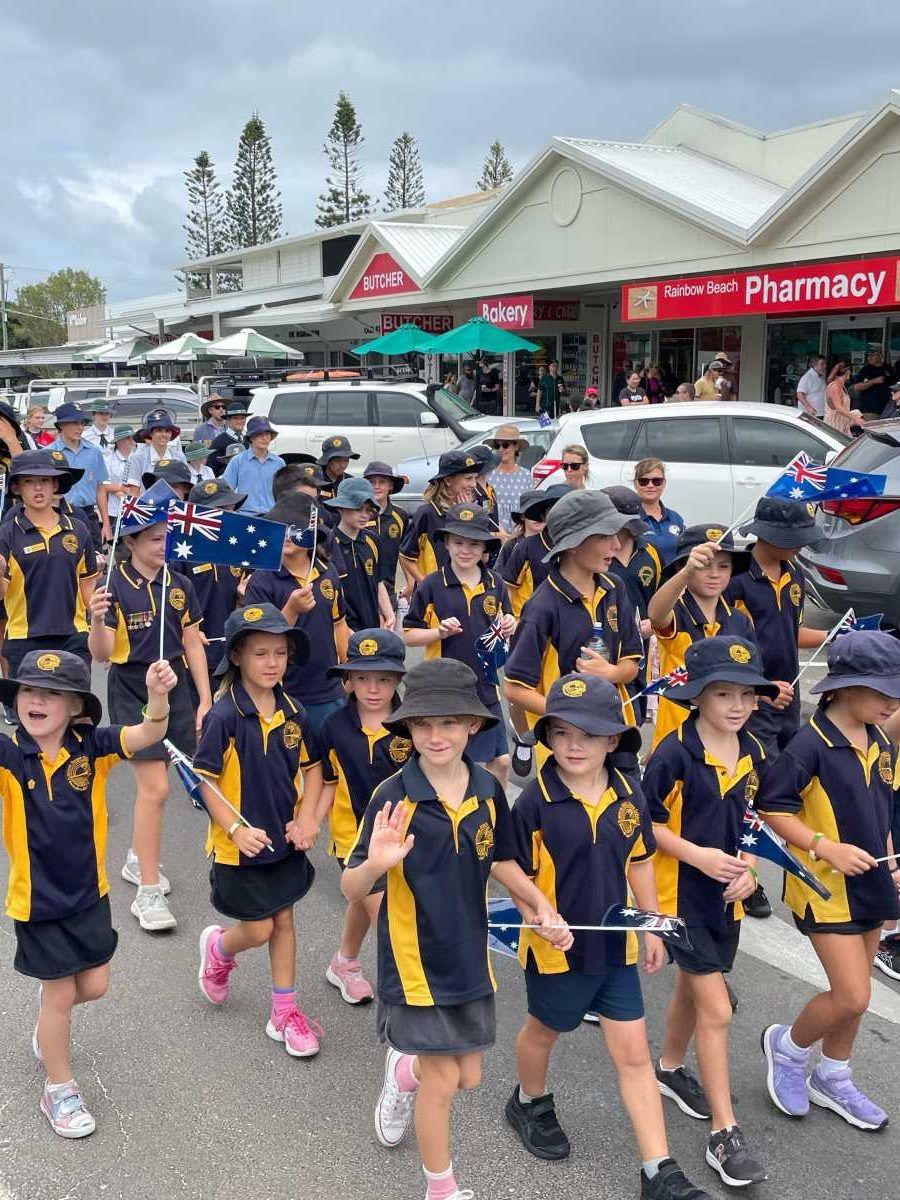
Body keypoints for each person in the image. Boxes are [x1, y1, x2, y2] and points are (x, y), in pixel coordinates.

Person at [342, 658, 569, 1200]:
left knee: (467, 1078)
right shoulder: (392, 797)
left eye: (449, 722)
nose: (436, 735)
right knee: (443, 1083)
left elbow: (500, 859)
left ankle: (403, 1074)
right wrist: (377, 863)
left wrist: (539, 904)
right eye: (423, 723)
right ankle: (441, 1188)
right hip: (414, 965)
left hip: (471, 958)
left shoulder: (490, 793)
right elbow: (353, 888)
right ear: (408, 728)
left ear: (474, 725)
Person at [505, 673, 709, 1200]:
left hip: (615, 946)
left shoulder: (627, 793)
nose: (575, 745)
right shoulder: (535, 801)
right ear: (547, 735)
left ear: (613, 740)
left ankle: (658, 1172)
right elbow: (508, 867)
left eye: (590, 734)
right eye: (563, 732)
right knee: (544, 1033)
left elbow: (640, 860)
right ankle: (529, 1101)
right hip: (556, 952)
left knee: (635, 1056)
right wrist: (539, 909)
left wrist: (652, 924)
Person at [0, 650, 177, 1138]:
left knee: (94, 986)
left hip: (89, 894)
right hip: (37, 903)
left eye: (52, 693)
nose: (37, 700)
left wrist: (157, 698)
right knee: (60, 994)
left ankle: (48, 1024)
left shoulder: (91, 745)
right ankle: (59, 1088)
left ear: (76, 706)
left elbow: (147, 735)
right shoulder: (11, 752)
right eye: (30, 690)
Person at [758, 630, 900, 1134]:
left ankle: (834, 1075)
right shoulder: (808, 745)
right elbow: (772, 808)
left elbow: (881, 811)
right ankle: (789, 1048)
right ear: (841, 687)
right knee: (853, 994)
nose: (892, 700)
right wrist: (825, 846)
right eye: (882, 689)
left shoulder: (880, 739)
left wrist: (889, 859)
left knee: (855, 992)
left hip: (870, 883)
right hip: (823, 887)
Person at [645, 637, 774, 1189]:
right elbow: (643, 824)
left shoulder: (755, 752)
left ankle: (670, 1068)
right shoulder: (673, 753)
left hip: (726, 902)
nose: (738, 705)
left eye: (747, 694)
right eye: (724, 693)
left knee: (693, 994)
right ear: (696, 696)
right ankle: (725, 1132)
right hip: (680, 902)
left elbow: (753, 820)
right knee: (716, 1010)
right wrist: (695, 853)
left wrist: (748, 869)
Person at [195, 604, 326, 1058]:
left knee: (284, 920)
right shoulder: (224, 716)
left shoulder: (294, 710)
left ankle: (284, 1012)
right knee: (257, 930)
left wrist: (308, 818)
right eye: (260, 653)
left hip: (283, 841)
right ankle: (219, 949)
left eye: (280, 653)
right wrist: (233, 829)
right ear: (236, 657)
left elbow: (313, 771)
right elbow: (204, 782)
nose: (272, 663)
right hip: (239, 848)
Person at [88, 502, 211, 932]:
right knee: (156, 789)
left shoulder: (178, 584)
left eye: (168, 538)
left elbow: (193, 643)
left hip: (174, 684)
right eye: (156, 539)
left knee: (161, 789)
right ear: (131, 540)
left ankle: (139, 857)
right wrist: (96, 619)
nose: (165, 546)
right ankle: (148, 892)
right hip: (131, 686)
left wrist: (204, 699)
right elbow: (101, 655)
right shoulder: (112, 586)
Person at [504, 490, 643, 764]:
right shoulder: (542, 607)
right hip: (567, 748)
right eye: (605, 536)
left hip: (614, 735)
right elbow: (514, 689)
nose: (616, 545)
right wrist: (570, 715)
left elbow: (632, 663)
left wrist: (611, 672)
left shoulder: (615, 587)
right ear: (573, 544)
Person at [313, 629, 408, 1006]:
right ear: (347, 680)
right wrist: (308, 823)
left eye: (383, 679)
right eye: (363, 678)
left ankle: (344, 962)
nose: (372, 688)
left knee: (362, 901)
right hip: (354, 838)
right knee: (390, 918)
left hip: (404, 835)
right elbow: (326, 780)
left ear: (399, 679)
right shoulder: (333, 727)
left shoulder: (411, 725)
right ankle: (408, 1002)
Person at [403, 503, 515, 787]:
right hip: (445, 687)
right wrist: (437, 633)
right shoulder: (431, 585)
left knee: (501, 761)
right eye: (459, 543)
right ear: (447, 543)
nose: (466, 551)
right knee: (452, 760)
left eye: (474, 544)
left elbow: (506, 621)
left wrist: (510, 625)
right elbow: (408, 634)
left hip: (486, 686)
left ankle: (494, 812)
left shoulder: (496, 583)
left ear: (485, 548)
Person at [245, 493, 350, 737]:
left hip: (329, 690)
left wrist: (349, 673)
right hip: (283, 691)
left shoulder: (328, 572)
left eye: (297, 529)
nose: (288, 536)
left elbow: (339, 624)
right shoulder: (262, 580)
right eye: (281, 528)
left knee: (330, 765)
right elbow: (258, 641)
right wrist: (291, 610)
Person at [647, 526, 755, 750]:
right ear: (681, 566)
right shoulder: (677, 611)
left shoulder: (740, 620)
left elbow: (748, 677)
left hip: (726, 737)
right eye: (704, 565)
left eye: (723, 566)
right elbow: (656, 614)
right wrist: (686, 573)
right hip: (676, 738)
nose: (715, 574)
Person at [0, 451, 97, 688]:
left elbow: (88, 592)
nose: (38, 488)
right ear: (17, 488)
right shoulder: (6, 534)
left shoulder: (79, 530)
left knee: (77, 714)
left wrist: (100, 631)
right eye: (29, 481)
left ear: (55, 484)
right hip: (24, 638)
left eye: (44, 480)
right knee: (33, 718)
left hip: (73, 636)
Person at [175, 478, 247, 679]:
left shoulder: (241, 548)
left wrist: (242, 599)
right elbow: (172, 603)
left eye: (231, 509)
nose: (228, 516)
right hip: (193, 654)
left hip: (235, 652)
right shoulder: (182, 552)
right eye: (220, 510)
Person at [399, 449, 480, 593]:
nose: (474, 484)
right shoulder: (427, 513)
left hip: (466, 592)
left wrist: (466, 514)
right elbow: (406, 557)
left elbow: (483, 557)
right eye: (468, 478)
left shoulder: (474, 513)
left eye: (475, 478)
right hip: (434, 599)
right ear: (448, 480)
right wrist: (426, 585)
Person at [325, 477, 394, 633]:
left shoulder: (373, 540)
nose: (365, 515)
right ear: (340, 508)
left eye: (369, 510)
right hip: (342, 627)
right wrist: (342, 629)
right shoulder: (328, 544)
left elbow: (379, 582)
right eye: (358, 508)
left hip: (372, 625)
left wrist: (389, 614)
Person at [49, 404, 106, 549]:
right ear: (61, 425)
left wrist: (106, 524)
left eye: (82, 423)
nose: (80, 427)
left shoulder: (94, 452)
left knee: (94, 561)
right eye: (75, 423)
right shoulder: (48, 453)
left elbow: (100, 489)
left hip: (88, 514)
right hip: (58, 514)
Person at [363, 460, 409, 612]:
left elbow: (406, 553)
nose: (376, 486)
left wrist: (410, 582)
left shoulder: (400, 515)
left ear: (390, 486)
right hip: (362, 587)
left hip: (388, 588)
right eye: (371, 482)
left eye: (382, 482)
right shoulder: (358, 514)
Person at [220, 415, 284, 515]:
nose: (264, 438)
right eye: (259, 434)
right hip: (245, 516)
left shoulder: (279, 463)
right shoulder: (238, 461)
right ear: (251, 437)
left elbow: (284, 493)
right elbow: (226, 490)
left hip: (272, 517)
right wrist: (230, 512)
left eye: (268, 434)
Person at [632, 459, 685, 566]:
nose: (650, 485)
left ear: (664, 483)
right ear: (635, 483)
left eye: (657, 481)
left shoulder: (676, 518)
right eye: (644, 481)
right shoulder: (629, 520)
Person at [481, 425, 530, 534]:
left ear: (516, 446)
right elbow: (485, 505)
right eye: (497, 446)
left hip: (518, 534)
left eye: (505, 445)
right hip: (493, 532)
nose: (501, 450)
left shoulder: (526, 475)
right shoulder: (488, 474)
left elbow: (527, 507)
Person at [97, 425, 139, 545]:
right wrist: (123, 489)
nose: (132, 441)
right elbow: (103, 485)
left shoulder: (137, 457)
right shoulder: (109, 459)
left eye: (132, 438)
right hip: (115, 510)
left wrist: (130, 492)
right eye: (128, 438)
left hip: (135, 509)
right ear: (118, 441)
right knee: (118, 548)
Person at [207, 402, 249, 476]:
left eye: (242, 418)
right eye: (235, 418)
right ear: (228, 420)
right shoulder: (219, 441)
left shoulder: (251, 439)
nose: (239, 422)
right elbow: (210, 469)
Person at [318, 434, 360, 505]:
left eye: (346, 460)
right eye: (337, 461)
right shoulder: (316, 480)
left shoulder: (351, 482)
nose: (343, 465)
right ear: (327, 460)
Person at [824, 361, 864, 436]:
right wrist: (855, 418)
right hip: (833, 428)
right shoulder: (834, 387)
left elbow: (844, 410)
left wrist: (855, 415)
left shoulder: (842, 387)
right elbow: (839, 408)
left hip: (843, 428)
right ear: (847, 372)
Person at [853, 348, 891, 419]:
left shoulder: (888, 368)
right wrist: (874, 381)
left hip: (887, 410)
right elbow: (857, 387)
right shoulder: (866, 369)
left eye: (872, 355)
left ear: (880, 356)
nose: (869, 358)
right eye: (868, 356)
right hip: (869, 409)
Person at [795, 354, 827, 418]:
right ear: (814, 365)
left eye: (825, 364)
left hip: (820, 413)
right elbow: (800, 394)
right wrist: (809, 407)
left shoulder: (821, 377)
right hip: (810, 415)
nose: (825, 366)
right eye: (822, 364)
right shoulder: (807, 377)